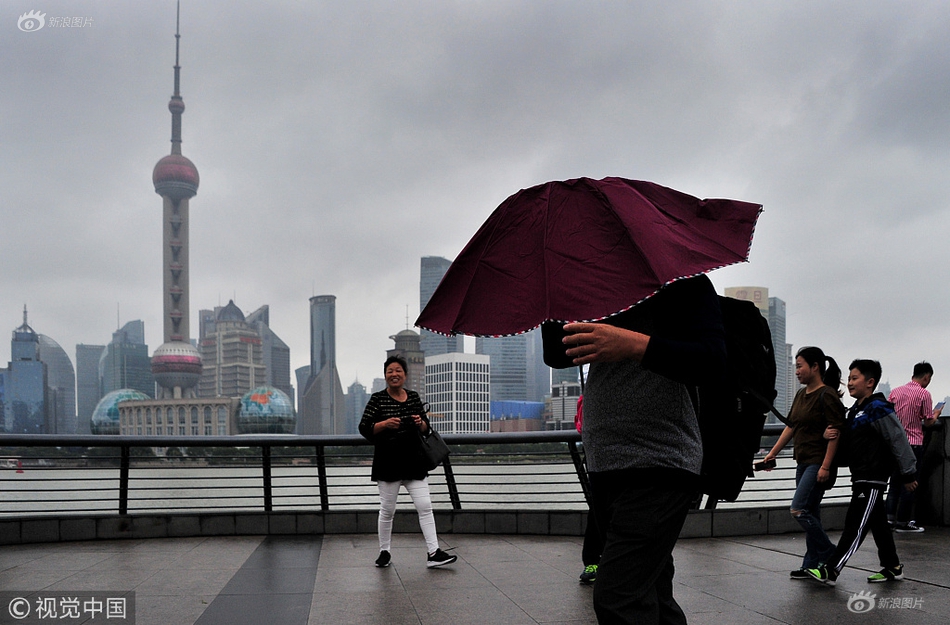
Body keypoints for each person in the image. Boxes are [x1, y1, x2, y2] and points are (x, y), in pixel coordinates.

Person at [561, 274, 726, 625]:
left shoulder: (685, 283)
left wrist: (635, 345)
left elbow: (712, 360)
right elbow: (557, 354)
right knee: (652, 592)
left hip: (661, 459)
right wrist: (556, 293)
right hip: (606, 463)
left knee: (617, 598)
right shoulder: (593, 285)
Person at [805, 359, 918, 586]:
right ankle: (892, 567)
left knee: (854, 526)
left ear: (870, 382)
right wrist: (827, 436)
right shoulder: (856, 411)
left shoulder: (878, 408)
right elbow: (847, 446)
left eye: (855, 378)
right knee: (878, 525)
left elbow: (898, 440)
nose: (850, 383)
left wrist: (909, 473)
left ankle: (831, 570)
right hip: (860, 476)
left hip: (872, 478)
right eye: (849, 378)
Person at [358, 355, 457, 569]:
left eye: (398, 371)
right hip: (388, 461)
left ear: (405, 374)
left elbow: (426, 428)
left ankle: (433, 552)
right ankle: (384, 551)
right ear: (385, 375)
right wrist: (384, 424)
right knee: (387, 510)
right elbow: (364, 428)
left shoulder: (413, 397)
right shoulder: (377, 399)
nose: (394, 374)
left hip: (414, 460)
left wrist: (420, 422)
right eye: (390, 371)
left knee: (425, 506)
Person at [761, 347, 845, 578]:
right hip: (803, 461)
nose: (797, 371)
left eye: (800, 366)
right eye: (796, 366)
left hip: (818, 463)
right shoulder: (801, 394)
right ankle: (811, 564)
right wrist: (773, 452)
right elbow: (792, 426)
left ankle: (830, 552)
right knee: (811, 513)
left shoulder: (826, 394)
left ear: (815, 366)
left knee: (798, 509)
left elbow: (836, 431)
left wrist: (826, 466)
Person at [886, 361, 942, 532]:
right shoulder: (924, 394)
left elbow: (888, 414)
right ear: (926, 377)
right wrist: (936, 413)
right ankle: (903, 523)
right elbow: (928, 421)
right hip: (914, 444)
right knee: (910, 483)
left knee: (894, 483)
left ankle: (888, 521)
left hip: (895, 445)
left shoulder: (895, 392)